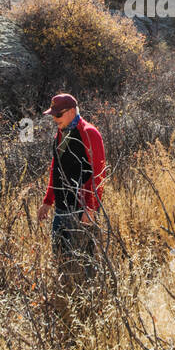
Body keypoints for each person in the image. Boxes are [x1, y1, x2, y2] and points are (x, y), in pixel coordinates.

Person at [37, 94, 105, 295]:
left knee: (84, 262)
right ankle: (65, 298)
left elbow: (98, 173)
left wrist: (90, 207)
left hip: (81, 209)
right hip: (61, 207)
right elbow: (55, 168)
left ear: (72, 111)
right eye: (52, 114)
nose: (54, 118)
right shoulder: (61, 133)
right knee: (60, 259)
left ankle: (88, 302)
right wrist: (48, 201)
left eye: (58, 114)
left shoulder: (89, 133)